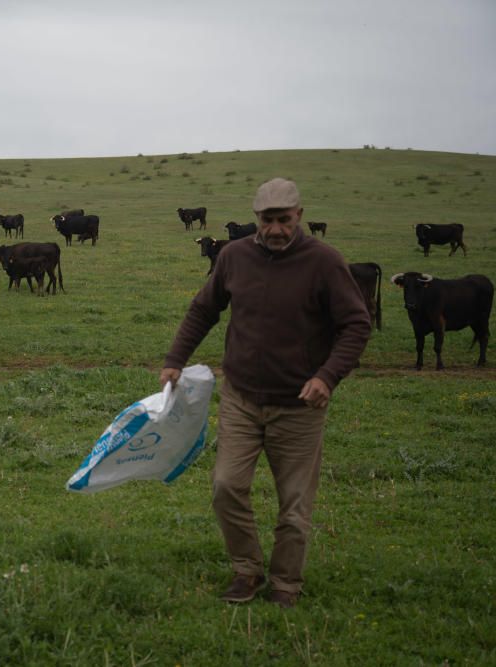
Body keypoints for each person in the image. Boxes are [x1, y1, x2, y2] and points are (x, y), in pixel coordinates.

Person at [159, 178, 371, 608]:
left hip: (299, 407)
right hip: (241, 398)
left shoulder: (325, 262)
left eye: (284, 220)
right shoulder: (235, 256)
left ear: (299, 215)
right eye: (267, 220)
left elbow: (356, 325)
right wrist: (174, 360)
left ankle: (286, 584)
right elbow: (204, 308)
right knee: (225, 486)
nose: (275, 229)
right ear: (256, 218)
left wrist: (327, 377)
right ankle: (246, 570)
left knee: (294, 505)